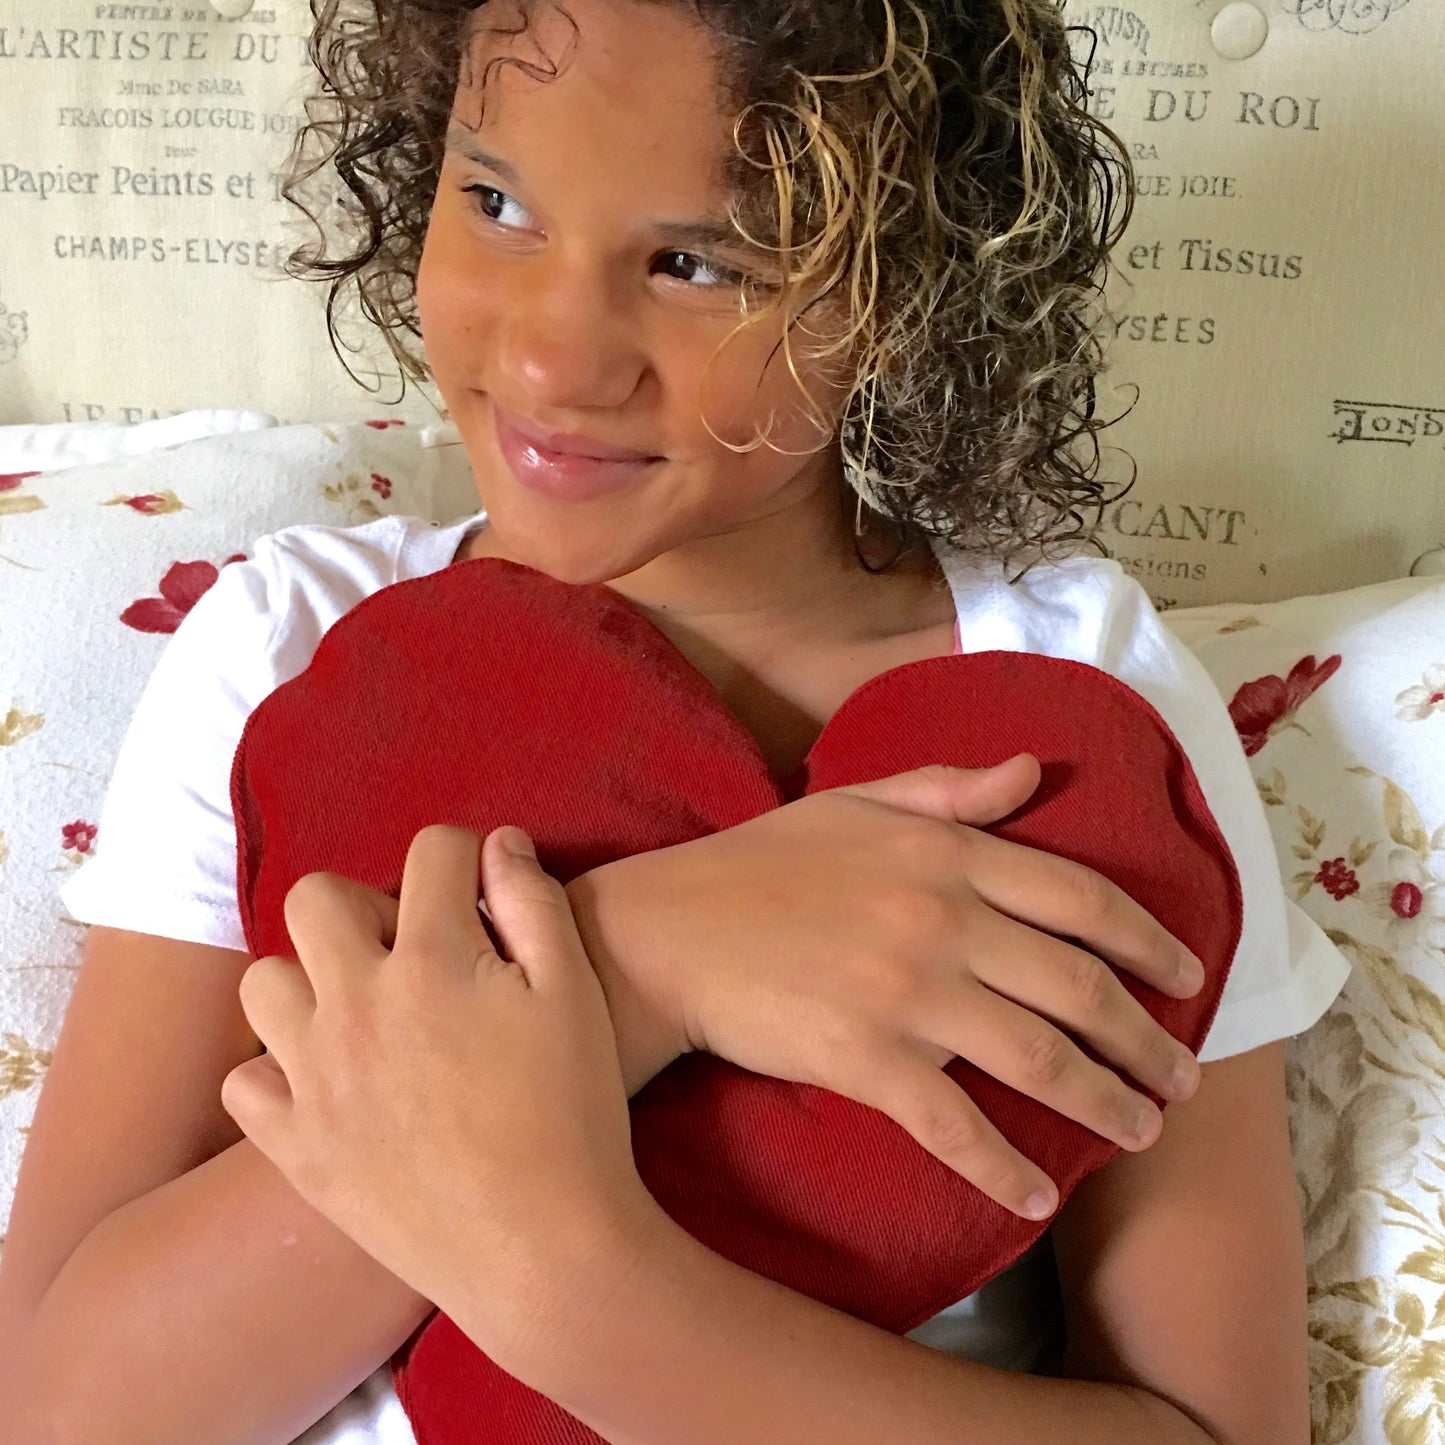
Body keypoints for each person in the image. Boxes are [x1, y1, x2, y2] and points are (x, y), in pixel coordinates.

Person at [0, 0, 1348, 1441]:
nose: (551, 356)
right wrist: (639, 962)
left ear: (900, 290)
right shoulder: (285, 651)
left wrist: (580, 1287)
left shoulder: (1078, 695)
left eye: (695, 261)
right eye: (495, 200)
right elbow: (58, 1410)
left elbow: (1217, 1429)